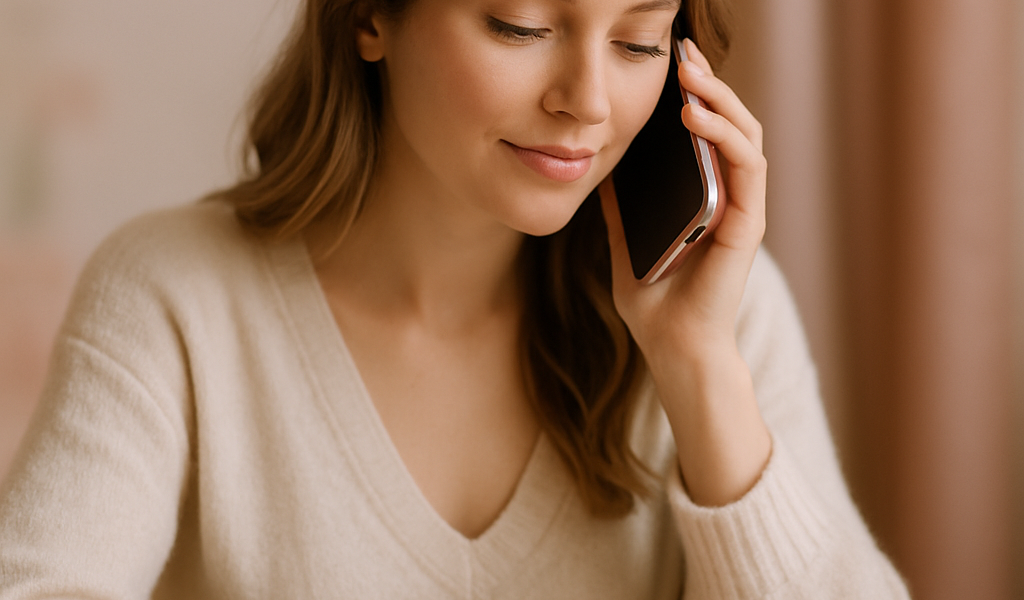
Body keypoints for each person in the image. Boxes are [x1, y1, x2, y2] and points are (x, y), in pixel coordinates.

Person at [0, 0, 910, 597]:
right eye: (518, 25)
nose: (589, 103)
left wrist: (699, 371)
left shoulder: (721, 312)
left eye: (638, 42)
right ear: (369, 16)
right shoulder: (174, 299)